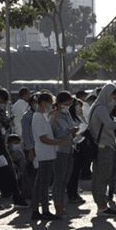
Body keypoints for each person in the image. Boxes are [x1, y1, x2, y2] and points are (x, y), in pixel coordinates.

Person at [88, 84, 116, 216]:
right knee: (102, 177)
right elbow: (109, 124)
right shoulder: (101, 109)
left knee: (100, 176)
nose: (114, 100)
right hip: (103, 146)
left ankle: (101, 204)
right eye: (113, 96)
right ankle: (102, 206)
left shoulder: (98, 107)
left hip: (102, 145)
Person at [30, 93, 67, 221]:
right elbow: (43, 138)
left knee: (41, 183)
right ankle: (43, 210)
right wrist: (58, 142)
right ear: (44, 103)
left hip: (47, 154)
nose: (50, 106)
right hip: (44, 155)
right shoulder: (38, 117)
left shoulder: (42, 117)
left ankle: (37, 210)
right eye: (50, 103)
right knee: (43, 184)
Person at [49, 92, 78, 216]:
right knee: (59, 180)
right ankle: (58, 206)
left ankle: (61, 204)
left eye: (70, 103)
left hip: (69, 148)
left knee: (66, 178)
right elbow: (54, 134)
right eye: (66, 103)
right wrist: (68, 132)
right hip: (59, 150)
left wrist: (74, 132)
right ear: (60, 103)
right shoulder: (54, 116)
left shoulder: (67, 115)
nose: (68, 105)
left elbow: (71, 129)